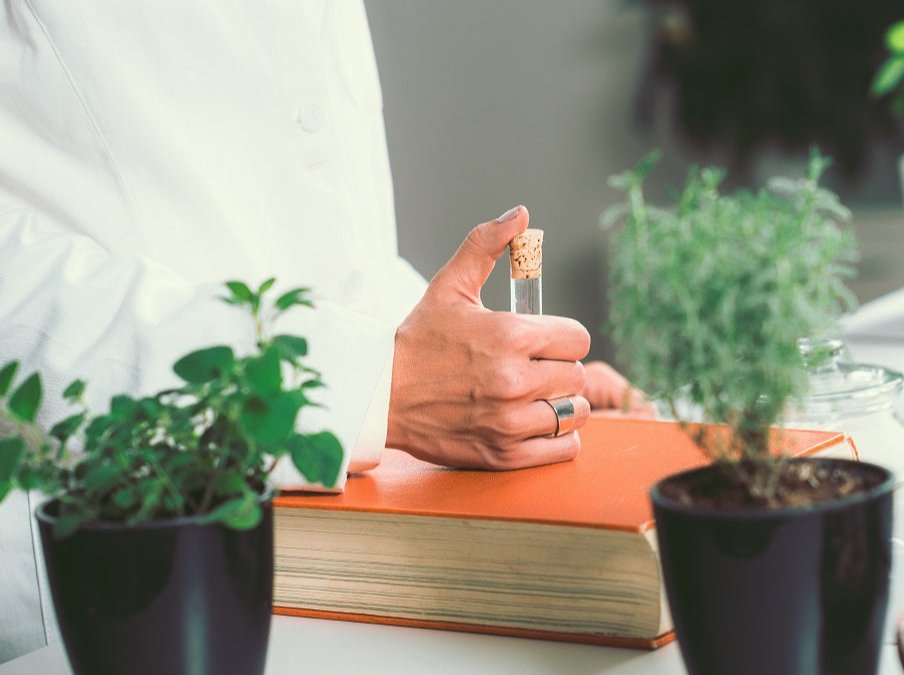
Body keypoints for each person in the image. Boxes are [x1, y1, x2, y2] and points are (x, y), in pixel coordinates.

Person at [0, 2, 647, 663]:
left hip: (343, 568)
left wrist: (496, 375)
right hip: (112, 586)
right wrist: (376, 386)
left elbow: (336, 256)